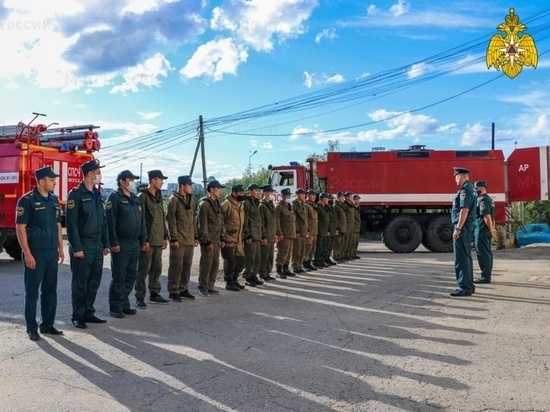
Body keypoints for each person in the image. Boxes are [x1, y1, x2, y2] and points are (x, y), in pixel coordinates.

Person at [16, 166, 64, 340]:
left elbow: (58, 225)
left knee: (50, 290)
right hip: (35, 253)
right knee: (32, 292)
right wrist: (27, 253)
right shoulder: (26, 200)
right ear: (42, 181)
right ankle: (31, 328)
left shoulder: (54, 200)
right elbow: (20, 228)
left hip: (51, 253)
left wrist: (60, 248)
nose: (55, 182)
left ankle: (48, 324)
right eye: (52, 180)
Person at [66, 159, 110, 329]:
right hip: (82, 245)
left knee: (94, 281)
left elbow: (103, 221)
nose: (99, 175)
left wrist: (105, 243)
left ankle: (88, 312)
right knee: (80, 283)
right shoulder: (76, 194)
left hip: (97, 244)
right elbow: (72, 224)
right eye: (98, 172)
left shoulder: (97, 194)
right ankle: (77, 315)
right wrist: (77, 248)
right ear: (90, 174)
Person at [105, 170, 147, 318]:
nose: (133, 183)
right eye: (130, 180)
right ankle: (115, 306)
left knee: (131, 275)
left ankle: (124, 303)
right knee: (119, 276)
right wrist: (113, 242)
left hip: (134, 243)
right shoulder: (114, 198)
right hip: (121, 244)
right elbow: (110, 223)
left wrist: (143, 240)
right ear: (122, 181)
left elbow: (141, 222)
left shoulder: (135, 198)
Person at [136, 170, 169, 307]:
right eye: (160, 180)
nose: (162, 182)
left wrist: (165, 236)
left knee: (157, 268)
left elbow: (161, 217)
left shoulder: (158, 196)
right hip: (148, 240)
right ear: (153, 180)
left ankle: (154, 293)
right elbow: (140, 220)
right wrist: (144, 240)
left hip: (158, 239)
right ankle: (140, 296)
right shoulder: (142, 197)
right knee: (143, 269)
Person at [166, 175, 199, 302]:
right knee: (176, 266)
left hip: (189, 239)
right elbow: (171, 220)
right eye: (190, 185)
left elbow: (193, 220)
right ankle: (173, 291)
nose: (191, 188)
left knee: (187, 266)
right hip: (179, 240)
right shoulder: (173, 200)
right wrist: (173, 238)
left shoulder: (190, 200)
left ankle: (183, 288)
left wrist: (196, 236)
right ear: (182, 186)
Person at [450, 166, 477, 297]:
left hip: (463, 227)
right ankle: (469, 285)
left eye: (455, 177)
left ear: (460, 175)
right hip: (468, 226)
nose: (455, 180)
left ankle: (464, 287)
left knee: (461, 257)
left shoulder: (465, 190)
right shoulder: (471, 188)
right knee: (466, 256)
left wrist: (458, 228)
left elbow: (464, 210)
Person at [197, 180, 226, 296]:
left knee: (214, 264)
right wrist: (206, 240)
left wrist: (222, 238)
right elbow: (202, 224)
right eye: (218, 189)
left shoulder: (217, 203)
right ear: (212, 189)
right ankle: (202, 287)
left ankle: (210, 286)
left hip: (216, 240)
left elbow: (221, 222)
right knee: (206, 264)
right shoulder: (204, 204)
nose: (219, 191)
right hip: (208, 240)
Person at [221, 184, 246, 292]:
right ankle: (229, 282)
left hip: (238, 239)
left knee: (241, 261)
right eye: (240, 193)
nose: (242, 194)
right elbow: (219, 219)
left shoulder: (240, 205)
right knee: (230, 262)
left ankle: (235, 279)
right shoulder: (227, 204)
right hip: (229, 239)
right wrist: (224, 233)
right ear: (234, 193)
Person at [473, 180, 497, 284]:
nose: (475, 191)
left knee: (483, 253)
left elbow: (487, 217)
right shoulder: (489, 199)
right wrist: (492, 228)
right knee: (487, 253)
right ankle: (486, 275)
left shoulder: (483, 200)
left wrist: (491, 230)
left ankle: (485, 277)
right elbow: (493, 217)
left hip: (482, 230)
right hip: (485, 229)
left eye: (476, 189)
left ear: (482, 189)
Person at [242, 183, 264, 286]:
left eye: (258, 190)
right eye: (255, 190)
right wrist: (247, 235)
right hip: (251, 234)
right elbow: (245, 220)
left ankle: (254, 275)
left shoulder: (256, 202)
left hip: (257, 234)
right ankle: (248, 277)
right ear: (250, 191)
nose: (257, 192)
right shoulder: (246, 202)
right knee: (250, 258)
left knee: (257, 257)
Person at [275, 188, 296, 278]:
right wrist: (279, 233)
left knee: (289, 252)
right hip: (284, 233)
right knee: (282, 252)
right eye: (287, 195)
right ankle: (279, 270)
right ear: (282, 196)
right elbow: (277, 221)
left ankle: (286, 268)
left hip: (291, 233)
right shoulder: (279, 206)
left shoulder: (288, 206)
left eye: (289, 195)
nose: (288, 197)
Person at [258, 184, 277, 281]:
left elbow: (274, 221)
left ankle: (267, 272)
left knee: (270, 256)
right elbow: (261, 223)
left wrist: (275, 234)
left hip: (271, 235)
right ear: (265, 193)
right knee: (264, 256)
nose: (271, 194)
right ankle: (262, 273)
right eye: (270, 192)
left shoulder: (271, 205)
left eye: (272, 192)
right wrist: (263, 236)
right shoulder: (262, 206)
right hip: (266, 236)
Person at [291, 188, 309, 273]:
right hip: (298, 231)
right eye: (302, 194)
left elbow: (305, 219)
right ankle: (295, 266)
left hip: (304, 230)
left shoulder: (303, 204)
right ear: (297, 195)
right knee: (297, 249)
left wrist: (307, 229)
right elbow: (294, 219)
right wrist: (297, 231)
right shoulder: (294, 204)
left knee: (302, 249)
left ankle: (300, 265)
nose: (303, 196)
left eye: (304, 194)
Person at [313, 192, 331, 268]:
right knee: (319, 247)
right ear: (323, 199)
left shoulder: (324, 207)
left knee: (323, 247)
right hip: (320, 230)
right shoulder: (318, 207)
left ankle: (321, 260)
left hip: (324, 230)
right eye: (327, 198)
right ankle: (317, 261)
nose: (328, 200)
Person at [304, 189, 319, 271]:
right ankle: (305, 263)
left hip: (315, 230)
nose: (313, 197)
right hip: (309, 231)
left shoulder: (313, 205)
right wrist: (307, 230)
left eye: (314, 195)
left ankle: (309, 262)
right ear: (308, 196)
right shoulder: (306, 205)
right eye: (312, 195)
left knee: (312, 247)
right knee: (307, 247)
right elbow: (305, 219)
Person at [333, 192, 348, 263]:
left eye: (343, 197)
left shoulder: (341, 206)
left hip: (342, 228)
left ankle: (339, 255)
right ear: (337, 198)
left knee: (341, 243)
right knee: (337, 243)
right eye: (341, 197)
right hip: (339, 228)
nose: (342, 198)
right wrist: (337, 229)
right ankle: (335, 256)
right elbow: (335, 219)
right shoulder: (336, 206)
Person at [343, 191, 356, 260]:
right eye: (350, 196)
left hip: (351, 226)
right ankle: (344, 255)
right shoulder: (345, 205)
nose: (352, 198)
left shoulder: (351, 204)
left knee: (350, 241)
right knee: (346, 241)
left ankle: (348, 254)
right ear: (347, 197)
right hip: (347, 226)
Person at [351, 194, 362, 259]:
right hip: (353, 228)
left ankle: (354, 253)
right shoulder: (352, 208)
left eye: (358, 200)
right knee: (352, 242)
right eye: (356, 200)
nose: (358, 201)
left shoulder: (357, 208)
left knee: (356, 242)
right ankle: (350, 254)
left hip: (357, 228)